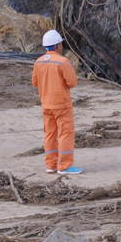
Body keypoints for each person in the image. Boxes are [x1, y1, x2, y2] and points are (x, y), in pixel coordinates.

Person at [32, 29, 80, 175]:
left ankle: (50, 165)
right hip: (62, 104)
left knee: (49, 134)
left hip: (46, 104)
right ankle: (64, 166)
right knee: (65, 133)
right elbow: (72, 82)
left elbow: (35, 82)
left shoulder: (38, 62)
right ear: (58, 45)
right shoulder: (63, 62)